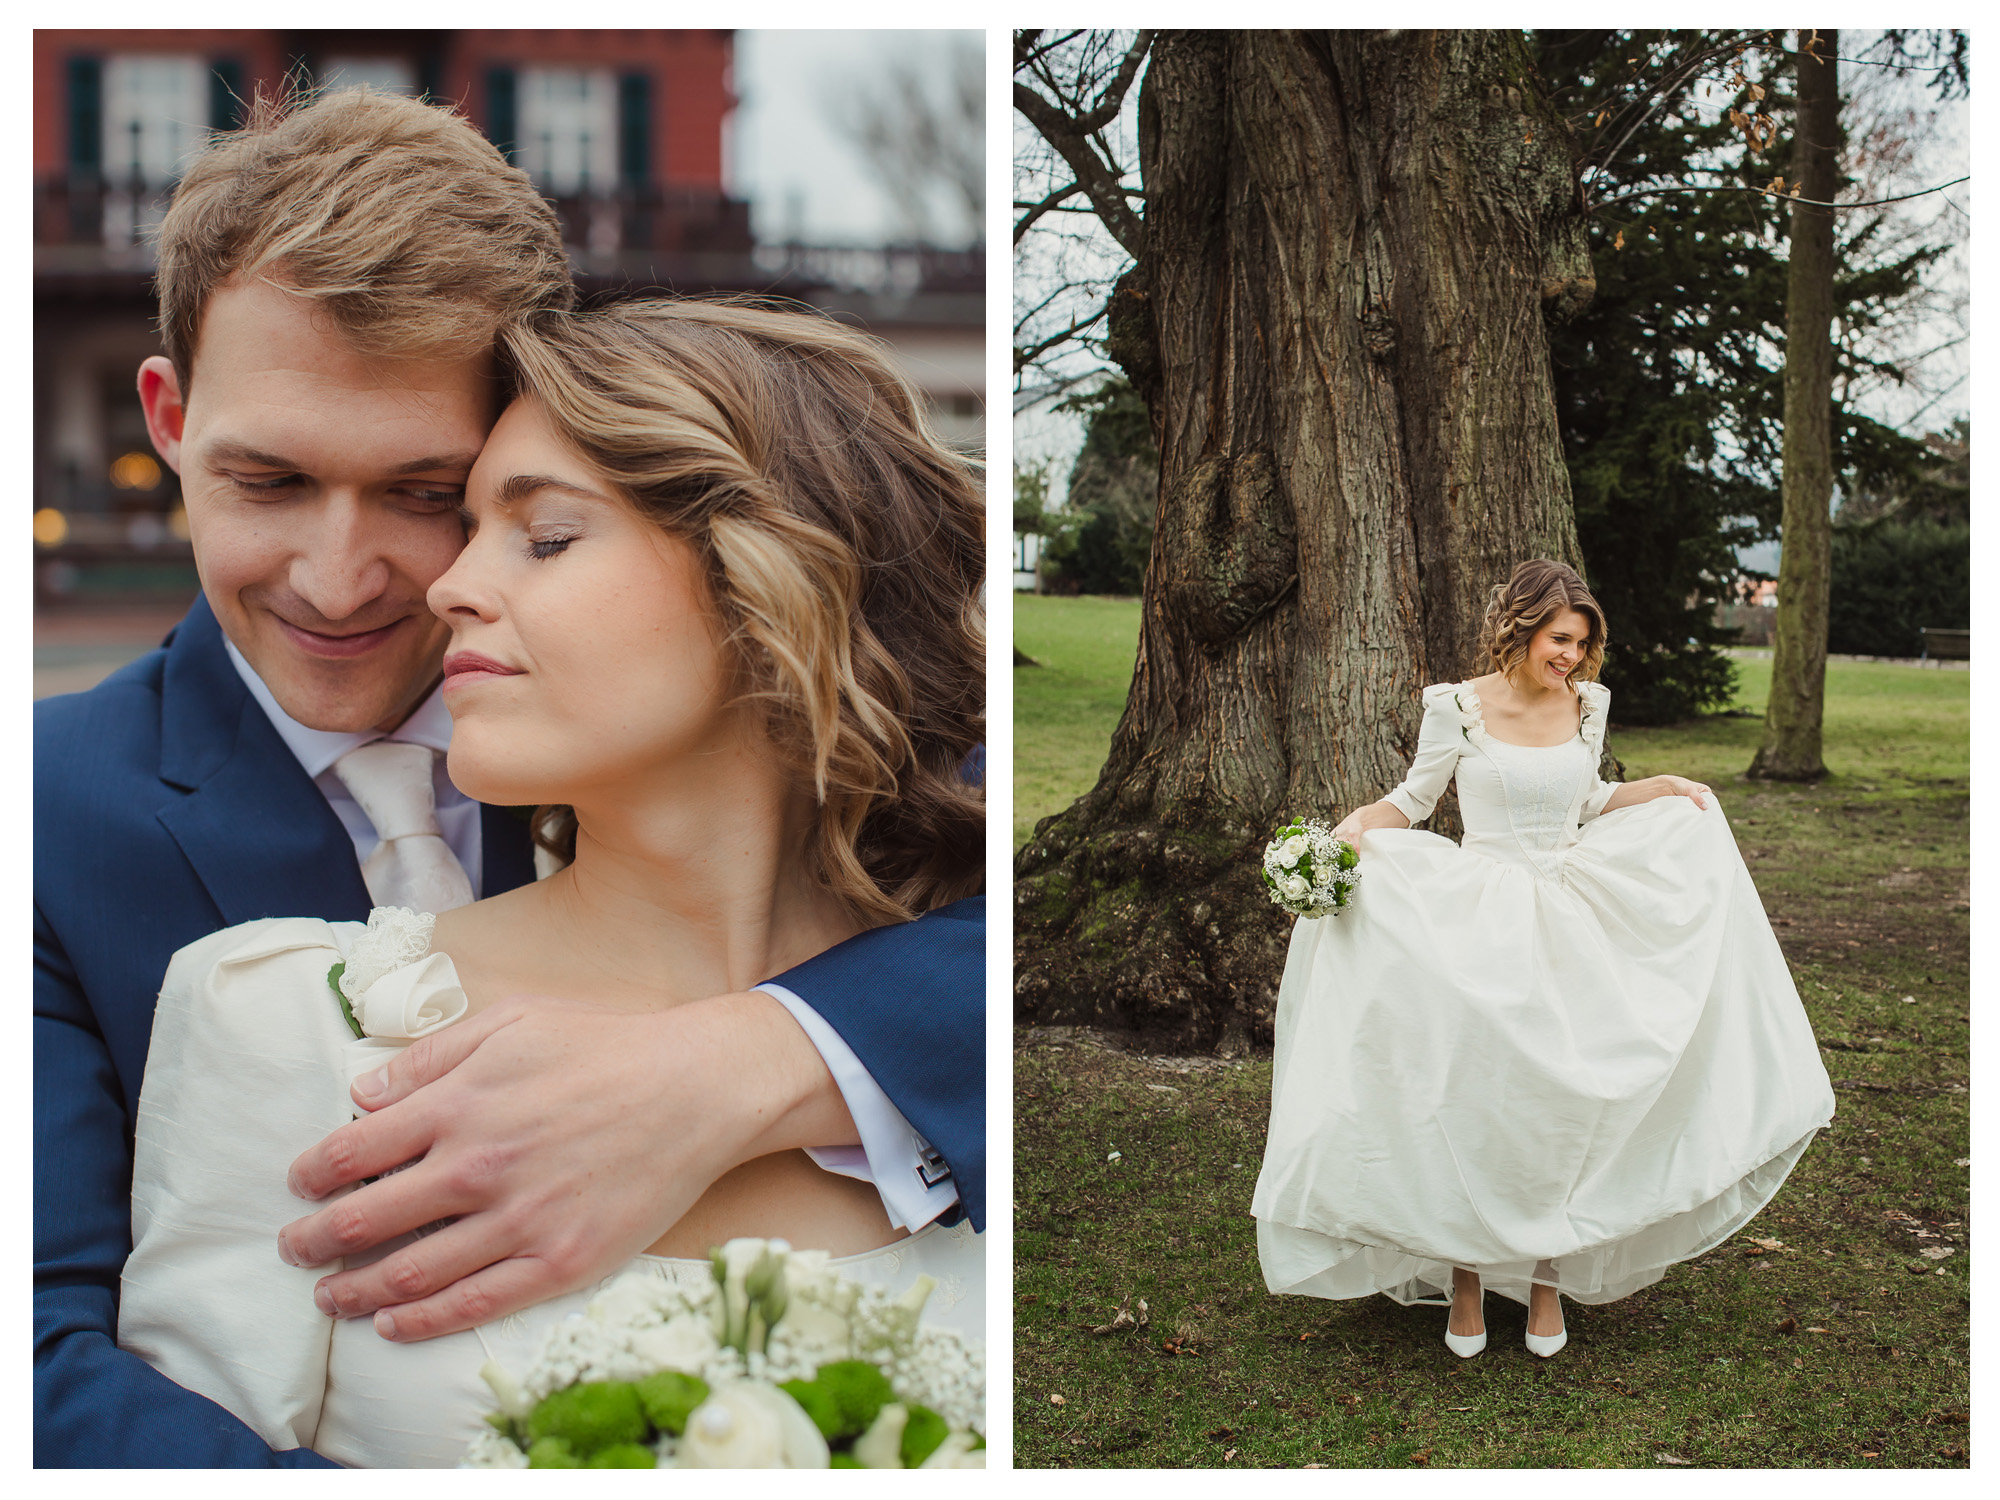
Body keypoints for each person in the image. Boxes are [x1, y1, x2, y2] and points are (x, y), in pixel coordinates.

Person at [34, 90, 983, 1469]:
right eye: (270, 480)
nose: (346, 579)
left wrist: (771, 1057)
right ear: (171, 418)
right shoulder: (49, 819)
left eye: (430, 492)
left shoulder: (858, 778)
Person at [1252, 559, 1834, 1358]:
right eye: (1560, 638)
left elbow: (1585, 799)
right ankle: (1463, 1274)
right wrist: (1357, 827)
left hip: (1571, 907)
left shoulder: (1588, 704)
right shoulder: (1456, 707)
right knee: (1475, 1088)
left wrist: (1655, 787)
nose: (1570, 655)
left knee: (1563, 1090)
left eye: (1582, 642)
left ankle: (1547, 1273)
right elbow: (1416, 801)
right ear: (1521, 627)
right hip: (1478, 908)